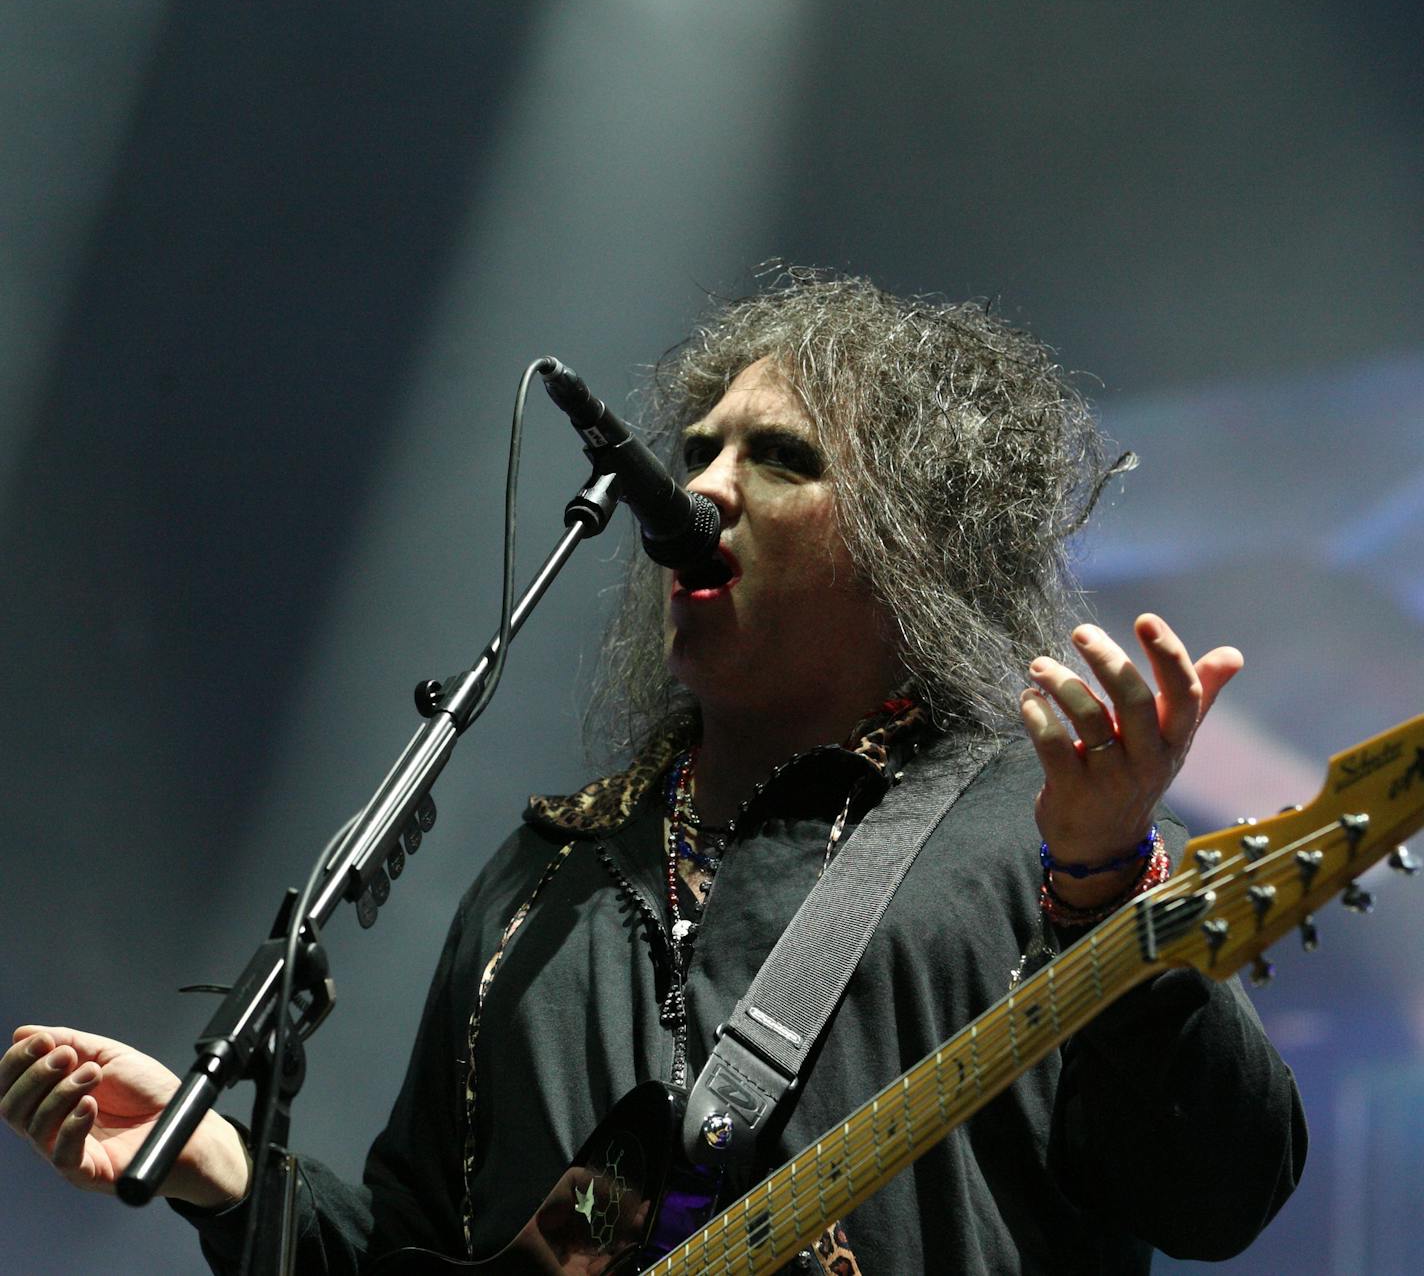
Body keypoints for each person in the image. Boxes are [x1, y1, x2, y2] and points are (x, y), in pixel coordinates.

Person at [3, 269, 1305, 1272]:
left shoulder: (1026, 830)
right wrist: (232, 1175)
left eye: (780, 457)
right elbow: (418, 1244)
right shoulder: (544, 886)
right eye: (694, 451)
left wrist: (1100, 885)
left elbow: (1218, 1194)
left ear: (918, 542)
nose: (703, 484)